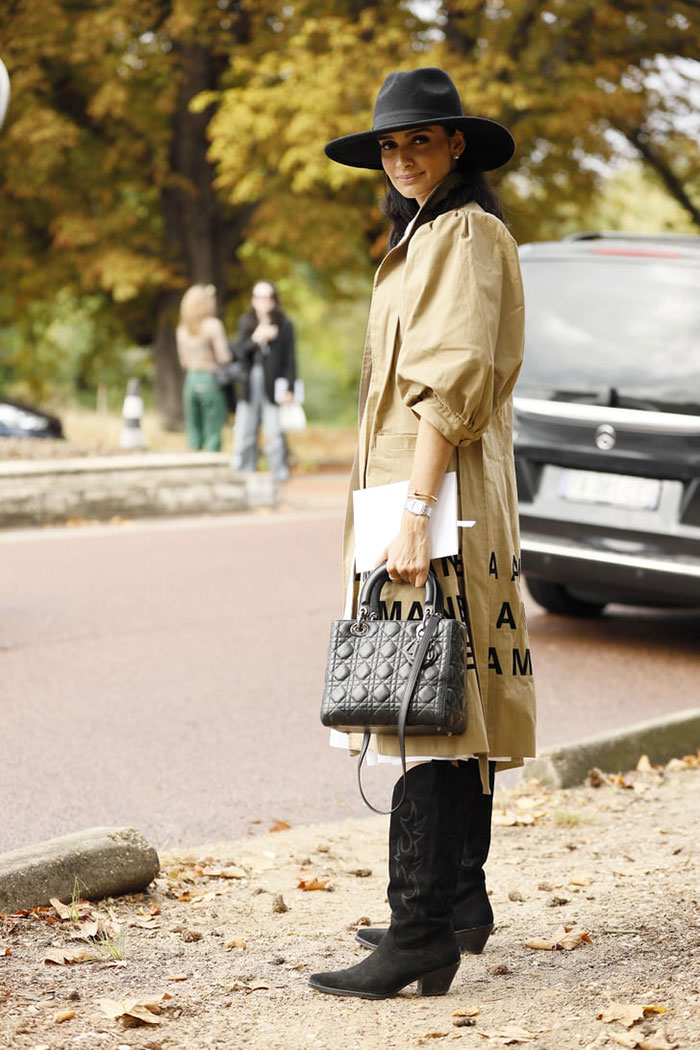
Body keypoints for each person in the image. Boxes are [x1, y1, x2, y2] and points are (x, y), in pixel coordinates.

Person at [309, 68, 536, 1000]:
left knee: (423, 709)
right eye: (390, 146)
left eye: (420, 141)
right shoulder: (423, 234)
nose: (401, 158)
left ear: (458, 148)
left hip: (435, 497)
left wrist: (412, 512)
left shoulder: (463, 233)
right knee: (457, 696)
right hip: (425, 494)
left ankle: (417, 937)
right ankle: (457, 907)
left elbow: (450, 378)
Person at [230, 280, 296, 483]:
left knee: (274, 432)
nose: (263, 302)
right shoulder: (246, 322)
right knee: (244, 430)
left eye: (267, 297)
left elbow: (290, 359)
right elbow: (239, 352)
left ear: (274, 300)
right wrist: (257, 338)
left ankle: (278, 472)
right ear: (253, 300)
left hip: (273, 383)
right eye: (258, 297)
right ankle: (243, 470)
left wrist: (290, 387)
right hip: (250, 383)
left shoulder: (284, 324)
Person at [176, 284, 232, 452]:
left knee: (193, 431)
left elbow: (183, 362)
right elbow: (224, 357)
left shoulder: (182, 329)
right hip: (209, 378)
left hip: (191, 379)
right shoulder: (212, 325)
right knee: (213, 430)